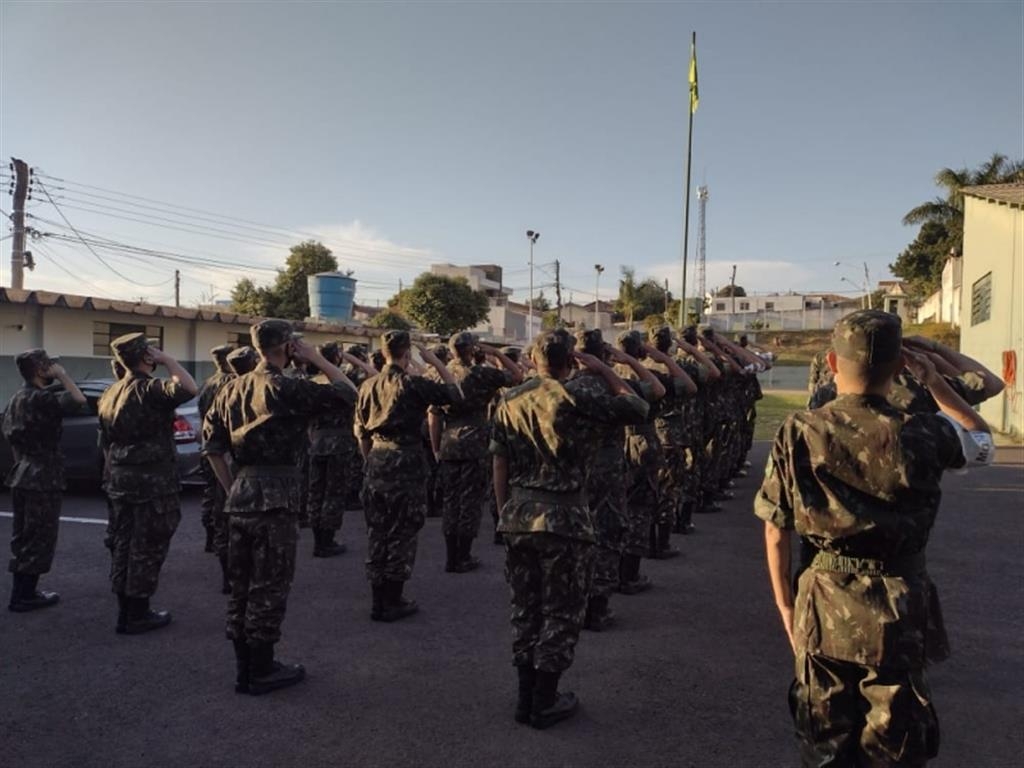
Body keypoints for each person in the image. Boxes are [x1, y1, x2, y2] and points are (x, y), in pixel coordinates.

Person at [754, 309, 994, 766]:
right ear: (901, 366)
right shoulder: (926, 431)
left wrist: (786, 605)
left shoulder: (799, 431)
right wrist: (936, 382)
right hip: (899, 606)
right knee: (896, 741)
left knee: (826, 741)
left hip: (822, 603)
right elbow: (979, 440)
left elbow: (775, 528)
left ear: (830, 361)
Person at [491, 330, 650, 729]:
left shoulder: (509, 400)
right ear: (570, 362)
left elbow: (499, 464)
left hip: (519, 514)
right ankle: (543, 701)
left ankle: (525, 697)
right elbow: (637, 407)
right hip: (564, 518)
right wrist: (604, 371)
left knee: (525, 609)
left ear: (533, 357)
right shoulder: (577, 397)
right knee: (561, 612)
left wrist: (502, 513)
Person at [204, 320, 358, 695]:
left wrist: (232, 488)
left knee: (242, 584)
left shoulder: (230, 388)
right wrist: (316, 357)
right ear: (287, 346)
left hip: (241, 491)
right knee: (270, 583)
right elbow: (348, 392)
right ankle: (261, 669)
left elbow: (212, 447)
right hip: (277, 492)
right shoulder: (285, 387)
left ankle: (246, 665)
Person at [355, 331, 462, 622]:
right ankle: (393, 599)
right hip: (406, 461)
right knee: (402, 531)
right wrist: (438, 364)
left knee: (377, 531)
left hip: (377, 459)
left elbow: (361, 432)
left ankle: (379, 599)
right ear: (406, 354)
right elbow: (455, 395)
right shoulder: (412, 383)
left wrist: (369, 461)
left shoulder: (367, 385)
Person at [98, 333, 198, 634]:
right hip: (151, 481)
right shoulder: (149, 388)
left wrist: (109, 471)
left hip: (120, 477)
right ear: (146, 357)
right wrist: (168, 360)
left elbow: (106, 442)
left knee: (123, 543)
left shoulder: (110, 392)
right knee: (147, 545)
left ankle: (125, 610)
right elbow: (189, 388)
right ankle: (138, 614)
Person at [566, 329, 664, 631]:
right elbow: (656, 391)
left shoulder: (566, 387)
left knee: (575, 537)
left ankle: (573, 603)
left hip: (573, 473)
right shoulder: (616, 388)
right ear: (605, 355)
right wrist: (613, 369)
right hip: (607, 473)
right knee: (607, 535)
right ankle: (597, 610)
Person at [428, 332, 522, 573]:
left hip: (449, 440)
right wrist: (498, 353)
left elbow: (434, 415)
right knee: (470, 502)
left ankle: (451, 556)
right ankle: (464, 556)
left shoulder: (440, 374)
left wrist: (436, 446)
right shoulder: (482, 373)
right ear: (472, 349)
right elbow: (518, 376)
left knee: (451, 500)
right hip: (476, 440)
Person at [3, 350, 86, 612]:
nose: (54, 367)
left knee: (24, 535)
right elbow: (78, 401)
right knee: (40, 536)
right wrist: (62, 375)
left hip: (22, 472)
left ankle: (23, 591)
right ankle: (25, 595)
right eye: (49, 364)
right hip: (42, 476)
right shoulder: (41, 398)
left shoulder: (17, 397)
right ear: (40, 369)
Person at [306, 341, 376, 558]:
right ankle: (327, 541)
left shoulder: (310, 382)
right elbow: (373, 374)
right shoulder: (343, 381)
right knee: (334, 493)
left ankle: (318, 538)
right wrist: (352, 358)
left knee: (317, 491)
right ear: (336, 357)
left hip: (316, 442)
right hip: (340, 442)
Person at [645, 326, 697, 558]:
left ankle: (645, 542)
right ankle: (662, 543)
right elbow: (692, 386)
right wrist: (667, 360)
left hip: (641, 437)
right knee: (668, 490)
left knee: (645, 492)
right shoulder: (673, 370)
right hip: (669, 437)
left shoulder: (628, 370)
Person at [197, 344, 236, 555]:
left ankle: (210, 537)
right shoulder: (232, 383)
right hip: (225, 446)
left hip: (208, 443)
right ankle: (223, 537)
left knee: (210, 492)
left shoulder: (206, 383)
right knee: (225, 493)